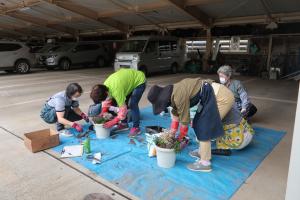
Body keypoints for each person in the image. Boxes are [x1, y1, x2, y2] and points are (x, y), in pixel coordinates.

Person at [147, 78, 234, 172]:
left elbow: (184, 121)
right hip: (210, 96)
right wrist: (172, 133)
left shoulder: (178, 95)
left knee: (204, 127)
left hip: (221, 98)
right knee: (197, 123)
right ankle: (202, 152)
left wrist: (179, 140)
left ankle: (205, 163)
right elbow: (176, 115)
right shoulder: (173, 93)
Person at [90, 68, 146, 137]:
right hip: (126, 82)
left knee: (132, 104)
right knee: (122, 101)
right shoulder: (104, 87)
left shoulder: (116, 90)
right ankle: (124, 124)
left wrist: (114, 121)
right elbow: (106, 100)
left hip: (139, 80)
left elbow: (123, 109)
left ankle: (136, 127)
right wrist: (103, 111)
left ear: (106, 93)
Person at [189, 104, 255, 158]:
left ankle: (223, 149)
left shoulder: (214, 107)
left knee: (204, 130)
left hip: (240, 141)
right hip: (247, 132)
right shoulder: (224, 98)